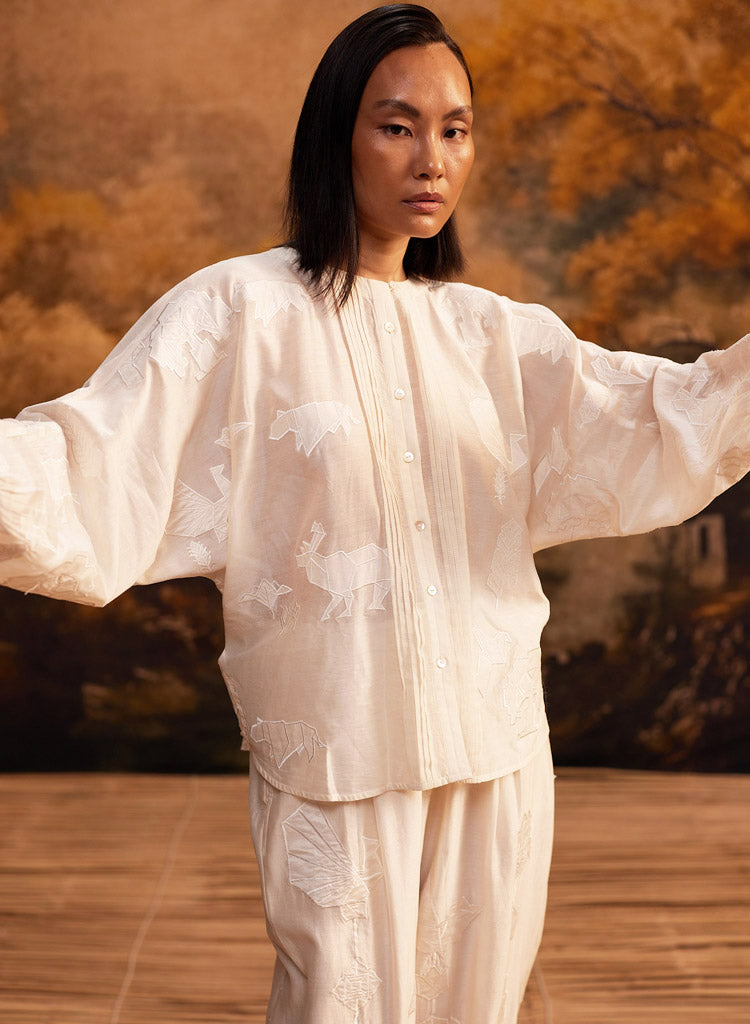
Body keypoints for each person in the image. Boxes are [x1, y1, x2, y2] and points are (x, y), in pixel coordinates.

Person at [1, 4, 748, 1022]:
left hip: (494, 753)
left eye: (455, 130)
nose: (432, 159)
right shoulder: (239, 312)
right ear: (336, 137)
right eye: (397, 126)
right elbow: (91, 461)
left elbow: (666, 417)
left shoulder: (492, 338)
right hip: (334, 754)